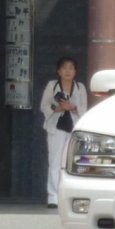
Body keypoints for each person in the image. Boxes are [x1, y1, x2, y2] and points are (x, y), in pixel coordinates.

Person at [40, 57, 86, 209]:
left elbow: (84, 109)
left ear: (75, 71)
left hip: (74, 128)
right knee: (54, 161)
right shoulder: (52, 86)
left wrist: (73, 107)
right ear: (58, 71)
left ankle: (70, 195)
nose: (68, 71)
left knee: (72, 161)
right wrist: (57, 108)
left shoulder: (80, 87)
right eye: (64, 68)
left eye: (71, 68)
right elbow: (44, 106)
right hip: (56, 127)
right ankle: (53, 196)